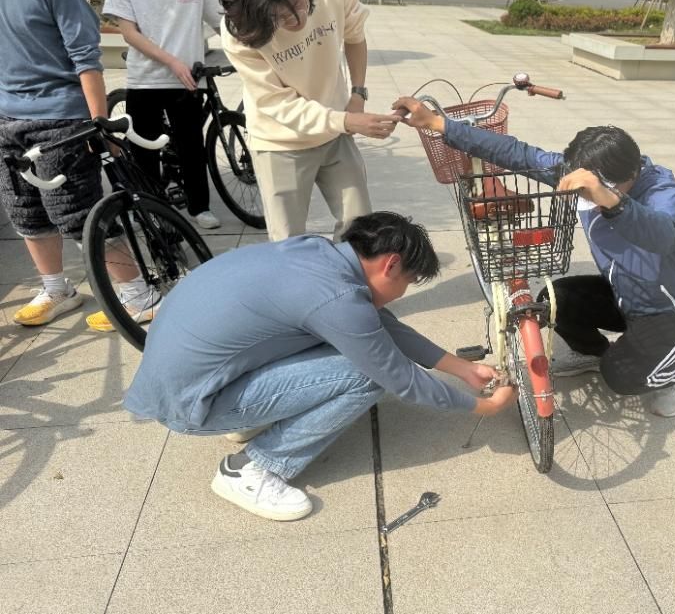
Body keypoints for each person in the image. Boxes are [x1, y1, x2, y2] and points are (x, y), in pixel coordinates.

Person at [124, 212, 516, 521]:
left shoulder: (318, 253)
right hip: (190, 403)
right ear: (391, 264)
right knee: (366, 375)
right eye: (408, 282)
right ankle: (250, 469)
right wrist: (483, 406)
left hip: (185, 380)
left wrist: (460, 368)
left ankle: (250, 413)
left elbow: (378, 325)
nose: (401, 294)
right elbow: (399, 377)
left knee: (349, 345)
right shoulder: (337, 297)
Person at [393, 99, 675, 418]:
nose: (585, 195)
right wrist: (438, 124)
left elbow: (664, 234)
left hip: (672, 312)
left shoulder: (662, 190)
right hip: (624, 296)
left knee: (621, 377)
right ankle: (596, 353)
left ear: (631, 174)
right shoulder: (582, 173)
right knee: (554, 300)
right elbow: (518, 154)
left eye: (594, 189)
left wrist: (611, 200)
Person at [0, 0, 148, 328]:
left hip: (60, 116)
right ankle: (57, 289)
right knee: (25, 212)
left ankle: (139, 293)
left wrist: (98, 123)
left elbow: (86, 58)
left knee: (78, 213)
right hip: (7, 118)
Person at [219, 0, 400, 242]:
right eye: (278, 17)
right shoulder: (240, 32)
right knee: (287, 241)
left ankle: (351, 274)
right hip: (279, 141)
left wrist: (357, 94)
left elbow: (355, 37)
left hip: (334, 134)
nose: (297, 20)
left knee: (360, 229)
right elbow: (278, 103)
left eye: (300, 4)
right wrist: (345, 121)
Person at [102, 0, 222, 235]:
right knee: (145, 150)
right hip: (145, 79)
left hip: (186, 80)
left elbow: (219, 21)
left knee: (191, 147)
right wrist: (172, 61)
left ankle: (199, 207)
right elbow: (129, 33)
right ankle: (153, 210)